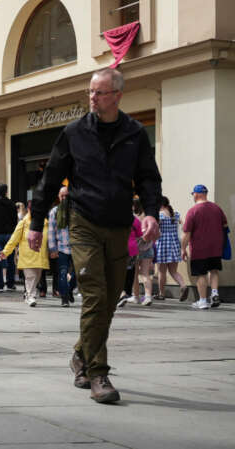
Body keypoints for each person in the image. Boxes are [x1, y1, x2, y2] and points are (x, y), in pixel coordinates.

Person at [28, 67, 162, 404]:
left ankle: (80, 355)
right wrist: (35, 223)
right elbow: (50, 179)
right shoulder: (74, 132)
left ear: (117, 95)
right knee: (94, 295)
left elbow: (148, 177)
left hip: (118, 225)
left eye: (99, 93)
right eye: (90, 91)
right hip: (83, 222)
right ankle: (98, 374)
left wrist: (150, 212)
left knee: (110, 301)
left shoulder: (134, 133)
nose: (92, 98)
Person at [180, 184, 228, 310]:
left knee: (201, 274)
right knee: (214, 270)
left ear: (196, 194)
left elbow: (187, 233)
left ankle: (202, 301)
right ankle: (214, 294)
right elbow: (225, 226)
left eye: (193, 194)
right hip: (216, 247)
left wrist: (183, 249)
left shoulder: (193, 211)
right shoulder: (217, 208)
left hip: (199, 248)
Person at [0, 208, 49, 306]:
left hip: (40, 255)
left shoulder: (45, 223)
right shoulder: (23, 223)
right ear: (29, 210)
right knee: (31, 276)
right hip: (27, 255)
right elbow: (14, 238)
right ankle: (31, 296)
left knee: (36, 277)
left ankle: (28, 294)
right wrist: (6, 251)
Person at [47, 186, 77, 307]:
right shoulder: (54, 211)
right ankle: (64, 297)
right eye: (62, 196)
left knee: (79, 273)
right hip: (61, 248)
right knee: (62, 273)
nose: (64, 198)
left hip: (77, 248)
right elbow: (51, 231)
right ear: (59, 197)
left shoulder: (76, 210)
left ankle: (69, 290)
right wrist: (52, 249)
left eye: (66, 195)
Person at [155, 196, 188, 301]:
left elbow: (155, 229)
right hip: (174, 244)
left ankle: (161, 293)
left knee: (161, 271)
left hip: (162, 244)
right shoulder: (176, 215)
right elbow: (184, 227)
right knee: (173, 271)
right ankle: (183, 285)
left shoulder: (159, 215)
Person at [0, 183, 19, 291]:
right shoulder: (12, 204)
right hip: (10, 234)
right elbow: (15, 220)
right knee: (10, 259)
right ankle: (10, 283)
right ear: (6, 191)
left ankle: (0, 284)